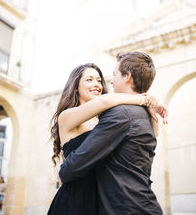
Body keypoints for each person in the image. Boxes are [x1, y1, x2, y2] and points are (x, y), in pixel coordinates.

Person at [48, 61, 166, 214]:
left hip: (104, 198)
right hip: (76, 198)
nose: (96, 84)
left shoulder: (106, 118)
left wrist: (151, 108)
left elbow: (153, 134)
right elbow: (105, 101)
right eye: (89, 80)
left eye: (99, 80)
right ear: (75, 86)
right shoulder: (67, 116)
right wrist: (144, 99)